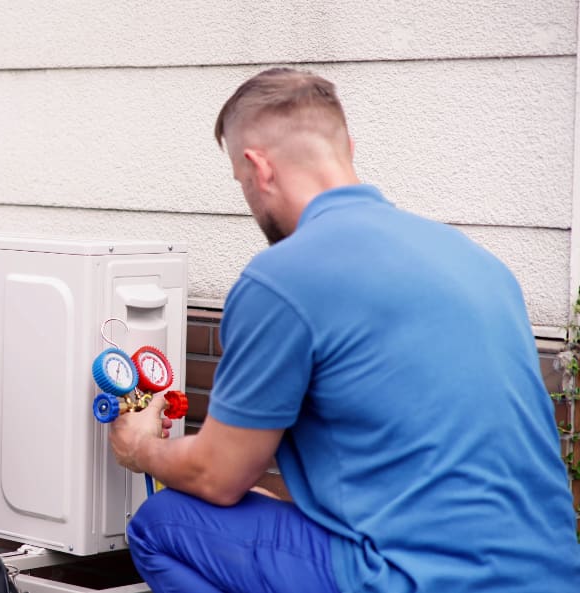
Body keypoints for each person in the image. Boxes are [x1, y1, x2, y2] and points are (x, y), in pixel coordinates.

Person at [108, 67, 580, 593]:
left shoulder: (282, 278)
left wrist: (141, 449)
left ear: (258, 168)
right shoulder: (478, 263)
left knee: (161, 525)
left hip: (410, 579)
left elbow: (217, 478)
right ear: (347, 147)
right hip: (552, 577)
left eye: (241, 184)